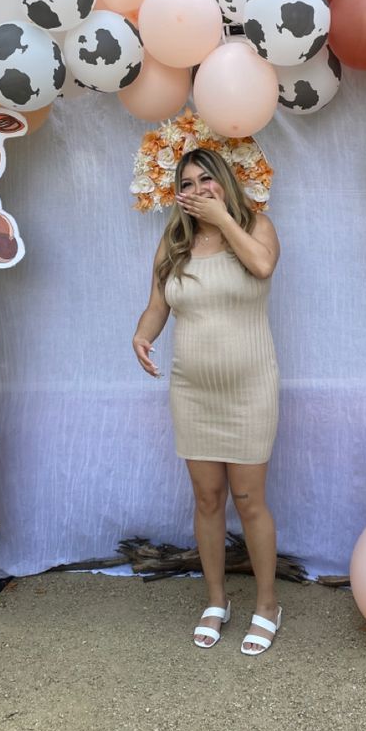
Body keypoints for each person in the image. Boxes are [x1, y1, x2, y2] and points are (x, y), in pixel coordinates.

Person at [132, 147, 281, 655]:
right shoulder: (174, 242)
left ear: (224, 183)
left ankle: (266, 605)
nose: (198, 190)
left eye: (206, 180)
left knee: (248, 500)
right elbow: (158, 305)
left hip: (250, 388)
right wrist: (141, 335)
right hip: (192, 391)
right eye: (188, 183)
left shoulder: (257, 227)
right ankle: (216, 600)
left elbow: (261, 267)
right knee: (207, 499)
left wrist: (222, 219)